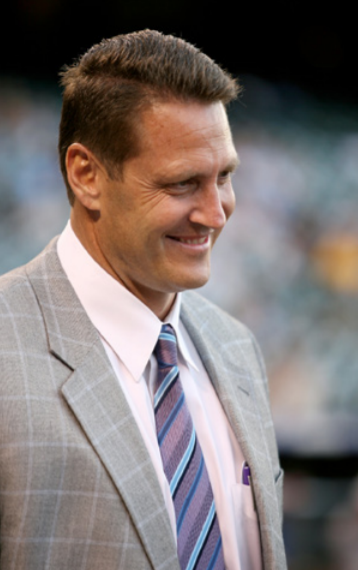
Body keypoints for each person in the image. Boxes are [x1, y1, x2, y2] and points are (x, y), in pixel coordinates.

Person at [0, 30, 286, 570]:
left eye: (223, 177)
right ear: (86, 175)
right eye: (181, 184)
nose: (216, 213)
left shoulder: (235, 348)